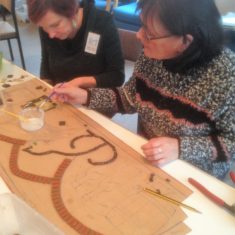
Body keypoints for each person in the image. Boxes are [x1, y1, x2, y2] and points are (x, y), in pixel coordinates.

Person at [52, 0, 235, 180]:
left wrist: (179, 148)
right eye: (142, 26)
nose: (139, 35)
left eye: (149, 33)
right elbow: (130, 98)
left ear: (185, 41)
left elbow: (231, 143)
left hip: (194, 174)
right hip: (148, 154)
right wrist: (85, 95)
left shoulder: (227, 77)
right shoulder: (151, 56)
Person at [26, 0, 125, 88]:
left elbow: (117, 76)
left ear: (72, 12)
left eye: (56, 25)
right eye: (44, 27)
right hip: (61, 99)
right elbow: (46, 65)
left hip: (94, 100)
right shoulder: (47, 27)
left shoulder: (102, 22)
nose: (51, 35)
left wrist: (80, 82)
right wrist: (45, 89)